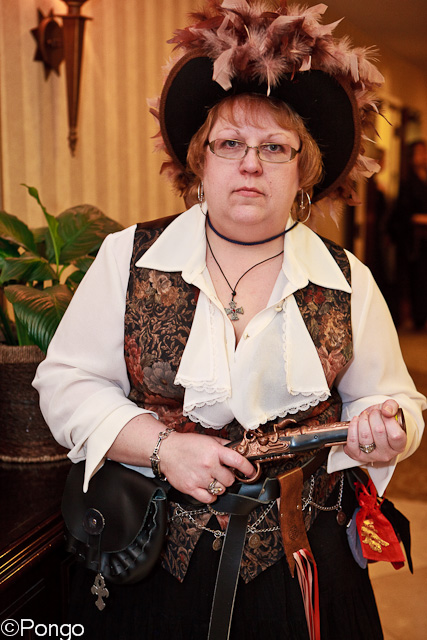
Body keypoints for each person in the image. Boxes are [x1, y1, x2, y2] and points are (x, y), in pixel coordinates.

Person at [33, 2, 425, 639]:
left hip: (304, 564)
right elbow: (66, 384)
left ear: (303, 169)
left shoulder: (347, 278)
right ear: (201, 160)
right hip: (149, 562)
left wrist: (387, 428)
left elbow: (394, 401)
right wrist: (162, 448)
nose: (250, 164)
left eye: (275, 147)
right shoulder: (127, 257)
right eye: (230, 144)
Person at [390, 140, 427, 329]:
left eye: (424, 152)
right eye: (419, 153)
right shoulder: (408, 182)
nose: (423, 156)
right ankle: (418, 318)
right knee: (418, 277)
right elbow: (403, 213)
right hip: (415, 240)